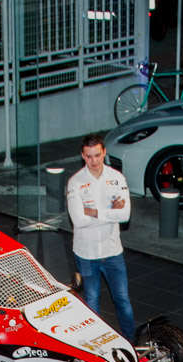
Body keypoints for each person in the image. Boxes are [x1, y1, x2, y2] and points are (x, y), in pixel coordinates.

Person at [67, 133, 136, 344]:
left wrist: (94, 212)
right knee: (91, 300)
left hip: (112, 251)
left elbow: (124, 215)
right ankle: (95, 345)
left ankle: (131, 343)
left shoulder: (117, 178)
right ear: (82, 156)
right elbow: (78, 220)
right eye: (89, 156)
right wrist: (109, 212)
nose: (94, 161)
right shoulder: (75, 182)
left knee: (122, 299)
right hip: (86, 253)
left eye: (97, 155)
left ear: (104, 152)